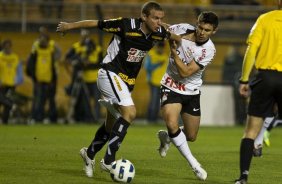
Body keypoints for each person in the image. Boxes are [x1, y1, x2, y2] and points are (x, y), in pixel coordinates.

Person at [56, 1, 179, 178]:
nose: (158, 22)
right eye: (155, 18)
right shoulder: (125, 25)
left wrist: (170, 30)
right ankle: (108, 160)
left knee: (110, 124)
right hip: (109, 73)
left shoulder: (159, 33)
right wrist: (69, 26)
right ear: (144, 16)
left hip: (126, 82)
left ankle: (89, 153)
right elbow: (96, 23)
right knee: (130, 112)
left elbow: (177, 38)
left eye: (161, 19)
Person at [157, 11, 219, 181]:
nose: (201, 32)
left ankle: (168, 137)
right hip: (170, 85)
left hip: (191, 90)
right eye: (200, 27)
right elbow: (168, 31)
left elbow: (185, 72)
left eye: (207, 30)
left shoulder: (208, 50)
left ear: (213, 31)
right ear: (196, 23)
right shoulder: (183, 28)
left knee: (191, 136)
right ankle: (195, 165)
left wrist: (174, 51)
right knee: (171, 122)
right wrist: (160, 28)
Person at [235, 1, 282, 183]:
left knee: (250, 131)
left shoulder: (265, 19)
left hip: (265, 77)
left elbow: (251, 49)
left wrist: (244, 79)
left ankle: (243, 177)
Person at [64, 29, 102, 123]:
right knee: (85, 101)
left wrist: (88, 64)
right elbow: (68, 59)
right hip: (84, 78)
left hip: (95, 79)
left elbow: (101, 63)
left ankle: (95, 119)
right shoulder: (78, 48)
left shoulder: (98, 49)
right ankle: (88, 118)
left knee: (97, 101)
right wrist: (71, 71)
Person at [26, 34, 58, 124]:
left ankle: (45, 117)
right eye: (42, 40)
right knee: (38, 100)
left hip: (48, 80)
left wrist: (53, 79)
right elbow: (30, 66)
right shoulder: (35, 52)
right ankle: (36, 117)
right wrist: (34, 78)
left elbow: (52, 66)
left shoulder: (50, 51)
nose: (43, 42)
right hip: (38, 80)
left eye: (45, 40)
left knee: (47, 100)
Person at [222, 44, 247, 125]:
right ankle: (241, 119)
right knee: (241, 102)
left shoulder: (233, 59)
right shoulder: (240, 58)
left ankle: (240, 119)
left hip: (237, 83)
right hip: (240, 83)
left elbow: (225, 72)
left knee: (240, 103)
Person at [144, 41, 167, 123]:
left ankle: (155, 118)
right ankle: (150, 118)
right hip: (153, 81)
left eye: (162, 47)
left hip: (162, 82)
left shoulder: (165, 57)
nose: (161, 49)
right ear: (157, 47)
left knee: (158, 102)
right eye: (159, 47)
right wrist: (157, 64)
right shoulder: (151, 55)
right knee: (153, 100)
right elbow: (147, 67)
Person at [0, 39, 23, 124]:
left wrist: (18, 81)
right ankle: (12, 106)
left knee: (7, 104)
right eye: (6, 47)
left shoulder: (15, 57)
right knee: (4, 101)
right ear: (3, 47)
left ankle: (4, 121)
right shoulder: (0, 56)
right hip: (1, 84)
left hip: (11, 84)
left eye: (9, 47)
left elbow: (19, 71)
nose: (7, 48)